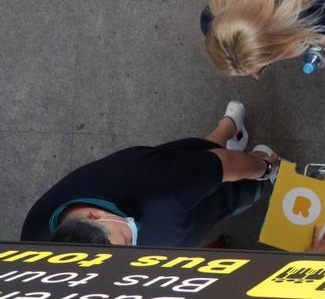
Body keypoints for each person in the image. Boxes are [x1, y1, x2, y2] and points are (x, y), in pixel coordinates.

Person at [21, 102, 280, 247]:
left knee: (230, 185)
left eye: (124, 240)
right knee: (200, 162)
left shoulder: (161, 187)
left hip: (198, 190)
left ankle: (232, 137)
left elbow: (226, 164)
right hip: (184, 180)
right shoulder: (35, 238)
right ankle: (229, 126)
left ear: (93, 215)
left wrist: (263, 167)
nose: (132, 245)